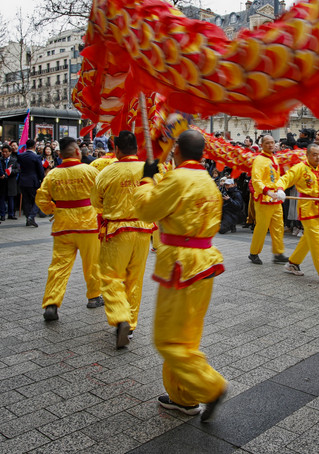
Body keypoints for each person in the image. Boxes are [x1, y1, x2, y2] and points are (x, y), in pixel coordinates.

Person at [133, 129, 228, 421]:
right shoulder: (208, 182)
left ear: (177, 150)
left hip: (181, 265)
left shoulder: (179, 178)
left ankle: (210, 386)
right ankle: (182, 397)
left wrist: (147, 179)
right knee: (186, 337)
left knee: (168, 340)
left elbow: (146, 209)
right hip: (203, 262)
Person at [92, 131, 156, 348]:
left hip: (117, 231)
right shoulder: (148, 170)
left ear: (116, 149)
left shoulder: (107, 172)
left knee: (110, 277)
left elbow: (96, 202)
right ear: (136, 148)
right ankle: (129, 327)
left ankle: (121, 317)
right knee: (134, 279)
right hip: (144, 231)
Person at [36, 137, 104, 321]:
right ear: (77, 152)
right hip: (88, 225)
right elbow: (102, 194)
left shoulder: (52, 175)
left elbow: (41, 199)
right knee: (93, 264)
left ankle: (51, 303)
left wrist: (53, 209)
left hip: (63, 225)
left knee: (58, 266)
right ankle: (94, 296)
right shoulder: (90, 171)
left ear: (60, 154)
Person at [274, 144, 319, 286]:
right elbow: (285, 179)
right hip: (307, 208)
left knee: (309, 238)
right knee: (316, 238)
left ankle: (293, 263)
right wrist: (279, 189)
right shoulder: (300, 168)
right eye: (314, 154)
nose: (318, 157)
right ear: (308, 155)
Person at [247, 135, 289, 265]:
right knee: (262, 227)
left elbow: (278, 178)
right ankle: (254, 253)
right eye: (267, 143)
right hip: (264, 198)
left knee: (278, 226)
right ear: (262, 145)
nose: (271, 145)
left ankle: (278, 253)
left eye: (272, 142)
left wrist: (281, 189)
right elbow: (256, 180)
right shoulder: (259, 160)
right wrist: (267, 191)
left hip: (275, 198)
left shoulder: (274, 158)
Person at [17, 139, 45, 227]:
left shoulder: (21, 156)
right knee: (37, 200)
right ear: (34, 146)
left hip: (23, 180)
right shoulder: (36, 157)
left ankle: (28, 218)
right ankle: (31, 216)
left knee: (26, 201)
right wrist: (43, 180)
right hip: (33, 181)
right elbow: (40, 170)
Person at [0, 145, 20, 221]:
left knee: (11, 198)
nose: (4, 153)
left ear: (10, 152)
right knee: (2, 199)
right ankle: (2, 215)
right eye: (3, 152)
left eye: (6, 152)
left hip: (11, 181)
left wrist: (11, 172)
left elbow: (17, 170)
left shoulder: (14, 160)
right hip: (2, 182)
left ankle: (11, 214)